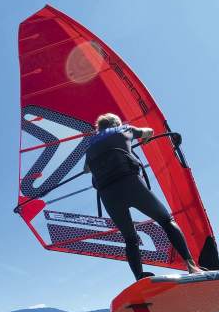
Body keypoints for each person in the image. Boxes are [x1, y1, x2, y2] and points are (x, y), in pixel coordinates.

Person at [83, 113, 205, 280]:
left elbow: (87, 169)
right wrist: (140, 140)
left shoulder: (90, 146)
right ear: (116, 123)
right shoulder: (125, 129)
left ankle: (139, 277)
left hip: (108, 195)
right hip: (131, 184)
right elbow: (149, 131)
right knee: (166, 220)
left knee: (130, 238)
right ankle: (192, 266)